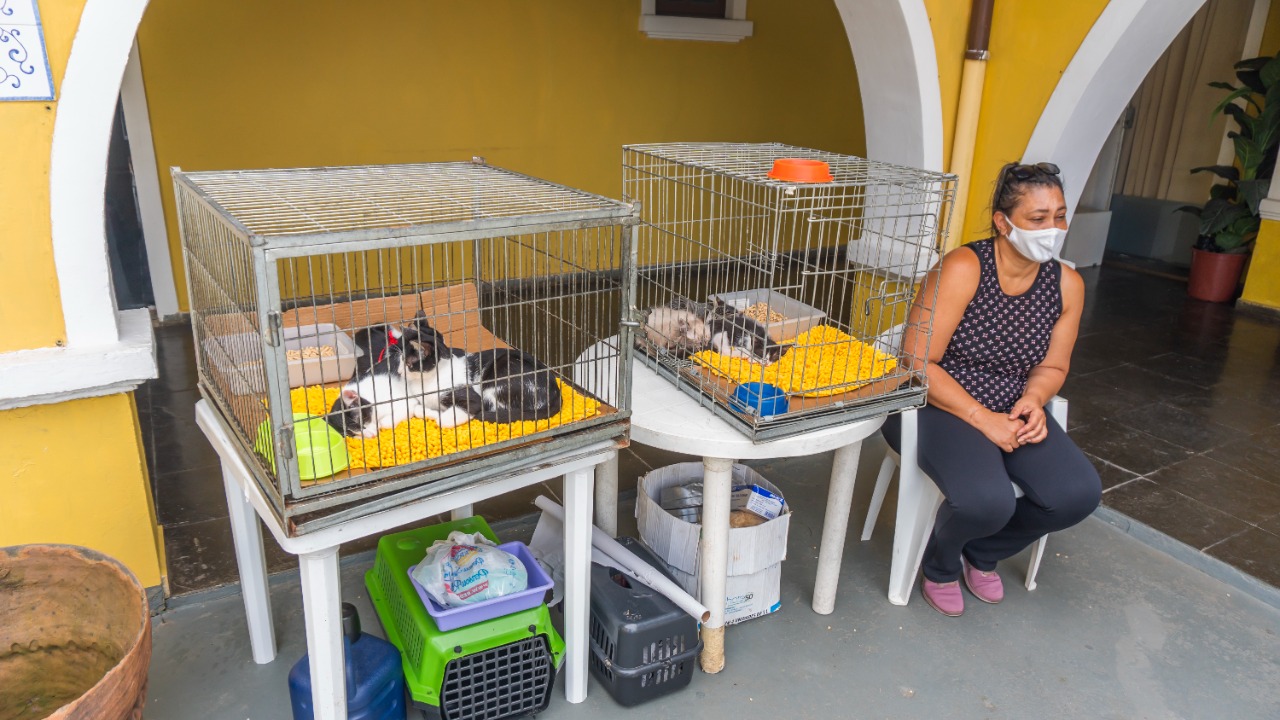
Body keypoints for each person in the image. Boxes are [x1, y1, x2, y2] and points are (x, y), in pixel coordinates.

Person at [883, 161, 1102, 617]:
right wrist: (983, 420)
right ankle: (940, 566)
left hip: (1009, 406)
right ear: (1004, 223)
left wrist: (1034, 400)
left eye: (1059, 216)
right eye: (1038, 219)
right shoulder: (965, 267)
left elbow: (1053, 364)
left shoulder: (1067, 285)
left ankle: (980, 552)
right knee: (988, 500)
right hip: (934, 403)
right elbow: (917, 361)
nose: (1053, 229)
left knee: (1076, 494)